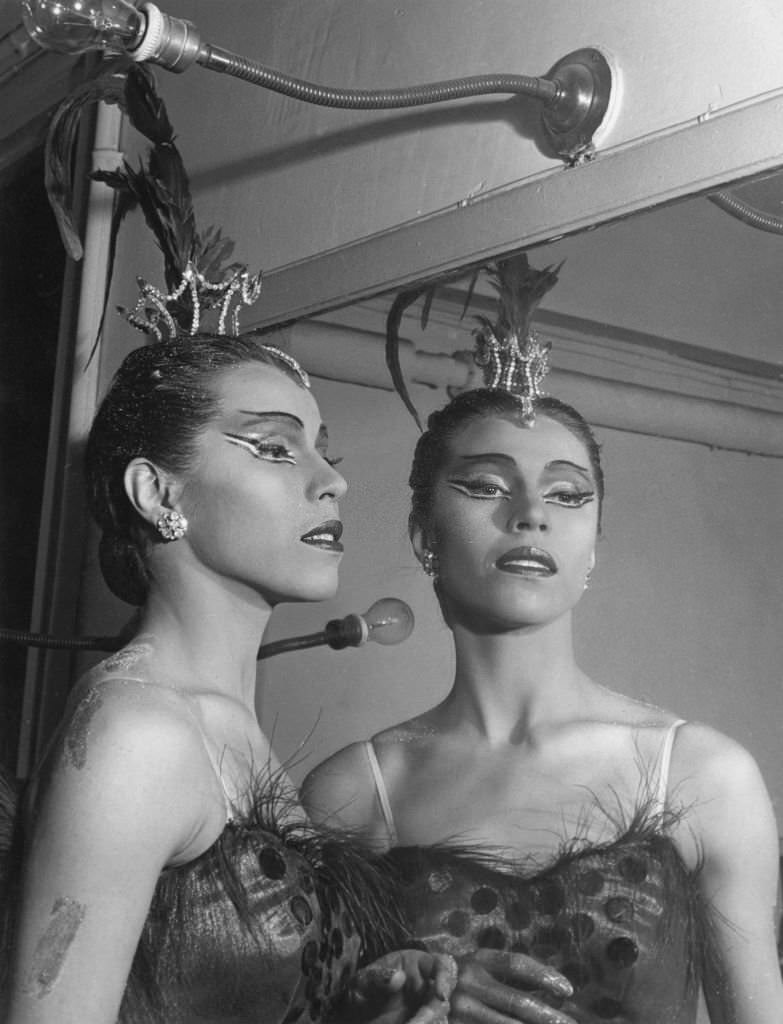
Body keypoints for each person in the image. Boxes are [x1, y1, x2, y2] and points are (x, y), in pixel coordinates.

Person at [1, 334, 465, 1024]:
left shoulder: (219, 722)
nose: (331, 480)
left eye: (322, 451)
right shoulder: (140, 732)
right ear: (156, 491)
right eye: (276, 448)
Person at [303, 387, 783, 1024]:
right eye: (485, 486)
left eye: (568, 494)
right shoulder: (359, 789)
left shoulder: (701, 773)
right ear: (424, 533)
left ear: (594, 545)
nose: (530, 514)